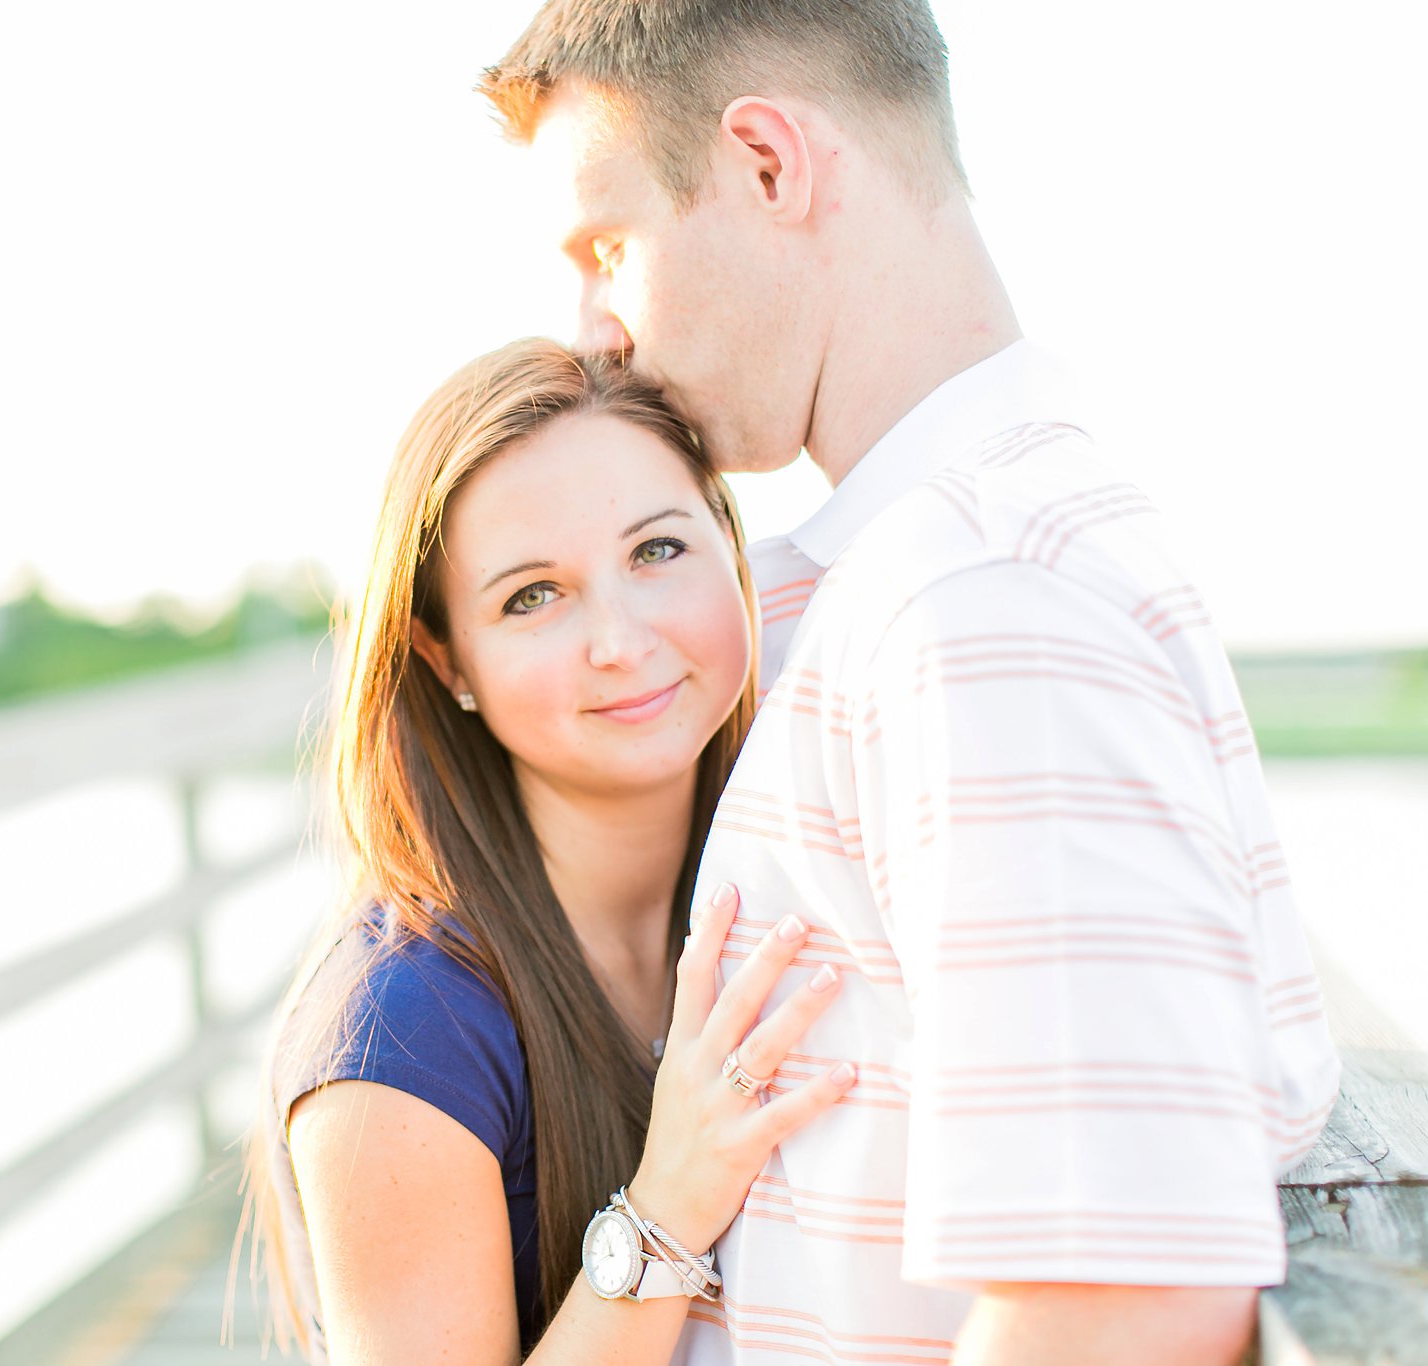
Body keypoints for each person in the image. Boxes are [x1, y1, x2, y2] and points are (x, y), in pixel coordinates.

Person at [475, 2, 1342, 1363]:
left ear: (769, 162)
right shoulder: (924, 574)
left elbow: (1120, 1296)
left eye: (608, 247)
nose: (592, 329)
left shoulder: (985, 596)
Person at [244, 339, 862, 1363]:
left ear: (727, 540)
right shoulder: (401, 1033)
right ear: (449, 662)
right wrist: (666, 1203)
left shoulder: (797, 866)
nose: (617, 639)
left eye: (656, 550)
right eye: (532, 596)